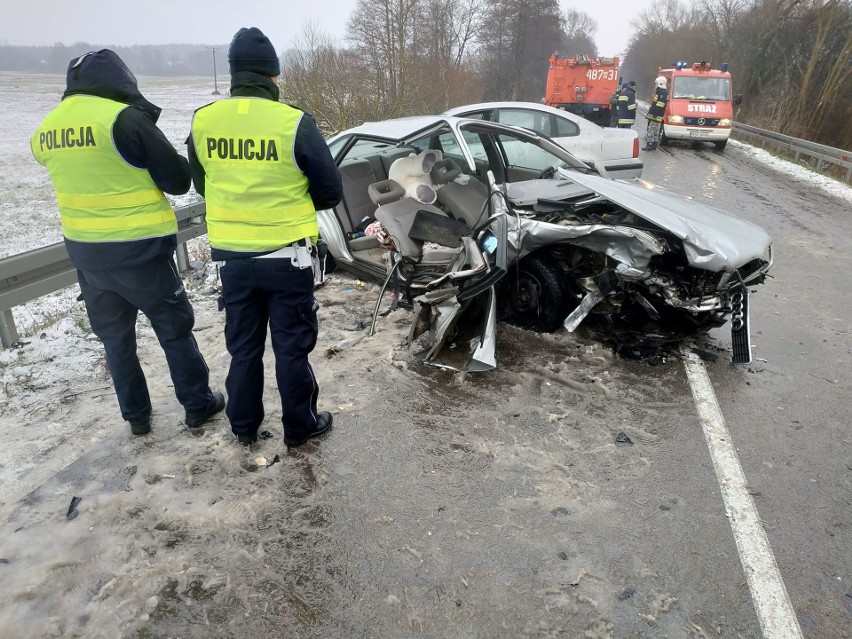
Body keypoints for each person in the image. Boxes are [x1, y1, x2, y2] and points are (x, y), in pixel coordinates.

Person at [31, 50, 225, 436]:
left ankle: (136, 417)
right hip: (140, 254)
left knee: (116, 341)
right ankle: (197, 404)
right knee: (173, 329)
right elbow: (177, 180)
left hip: (87, 256)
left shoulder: (46, 129)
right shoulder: (123, 120)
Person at [187, 27, 343, 448]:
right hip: (287, 258)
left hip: (234, 262)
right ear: (273, 76)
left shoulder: (203, 121)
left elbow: (203, 183)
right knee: (292, 349)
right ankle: (300, 428)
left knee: (244, 349)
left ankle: (243, 427)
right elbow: (330, 191)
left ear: (235, 74)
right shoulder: (294, 123)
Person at [643, 76, 669, 150]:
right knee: (656, 131)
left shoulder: (662, 92)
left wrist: (654, 114)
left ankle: (649, 145)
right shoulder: (661, 92)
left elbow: (660, 105)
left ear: (660, 83)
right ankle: (654, 145)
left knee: (652, 130)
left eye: (657, 83)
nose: (656, 85)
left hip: (656, 116)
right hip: (657, 116)